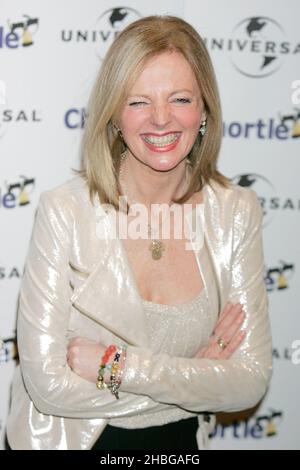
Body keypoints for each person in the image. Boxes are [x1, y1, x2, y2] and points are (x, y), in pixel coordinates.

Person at [6, 15, 272, 450]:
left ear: (204, 108)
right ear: (114, 114)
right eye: (138, 102)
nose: (162, 120)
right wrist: (195, 382)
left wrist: (118, 367)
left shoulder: (235, 212)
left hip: (179, 448)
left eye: (180, 98)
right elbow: (48, 387)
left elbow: (249, 382)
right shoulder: (66, 212)